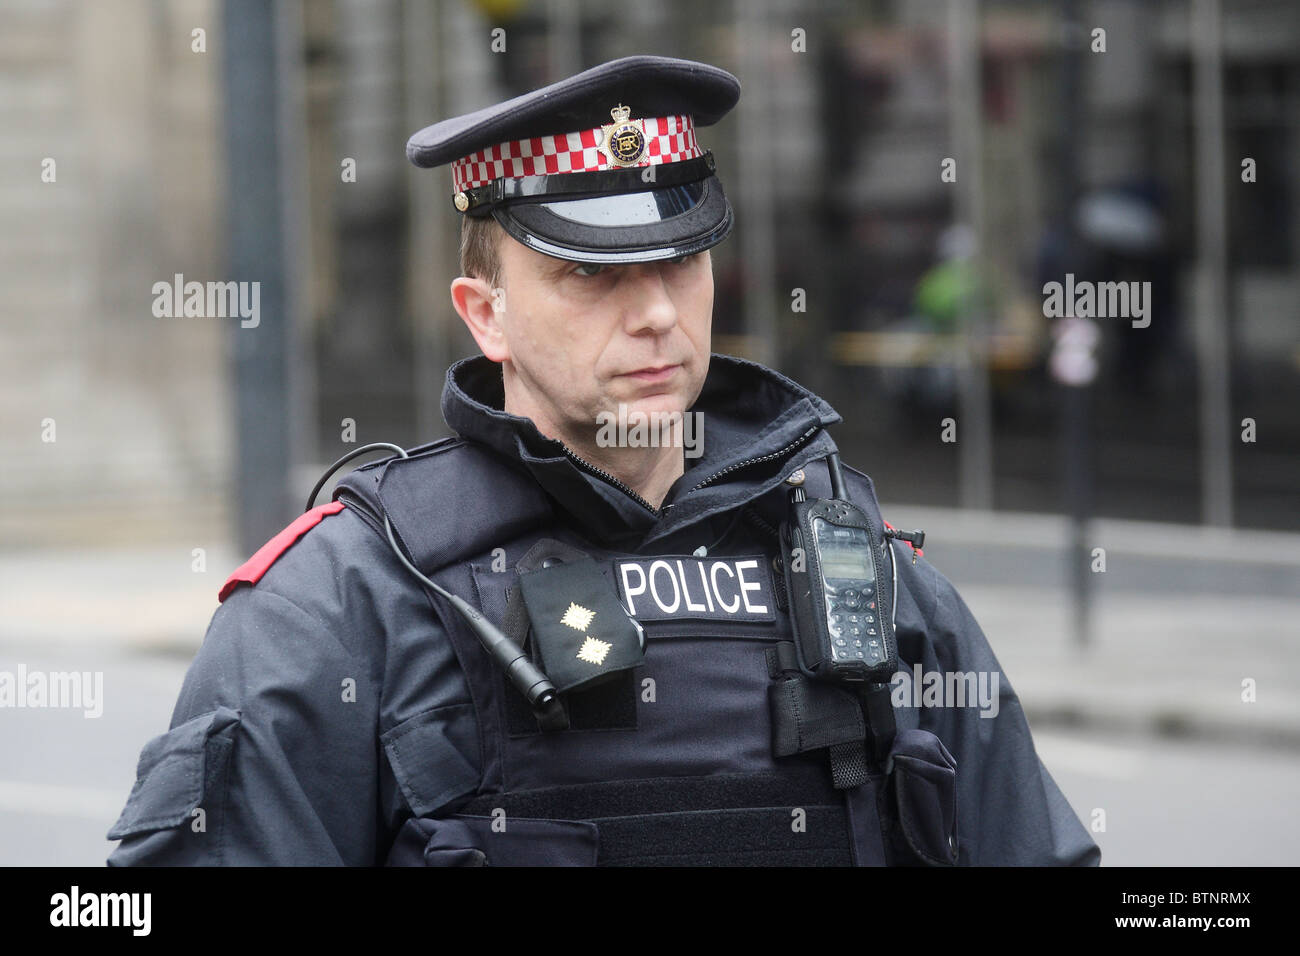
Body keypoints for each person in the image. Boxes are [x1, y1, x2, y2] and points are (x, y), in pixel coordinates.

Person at [106, 55, 1100, 867]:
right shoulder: (336, 605)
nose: (656, 312)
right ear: (484, 313)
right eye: (590, 273)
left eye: (680, 259)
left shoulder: (863, 573)